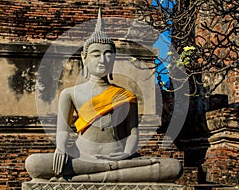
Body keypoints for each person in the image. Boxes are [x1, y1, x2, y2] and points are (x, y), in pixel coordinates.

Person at [25, 9, 182, 183]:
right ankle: (101, 173)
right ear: (84, 58)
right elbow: (63, 130)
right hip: (81, 156)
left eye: (108, 54)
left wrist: (126, 153)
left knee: (173, 167)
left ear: (114, 59)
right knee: (34, 164)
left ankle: (86, 177)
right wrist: (61, 149)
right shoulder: (69, 94)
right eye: (96, 54)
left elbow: (132, 133)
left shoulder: (126, 96)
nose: (102, 59)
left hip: (118, 157)